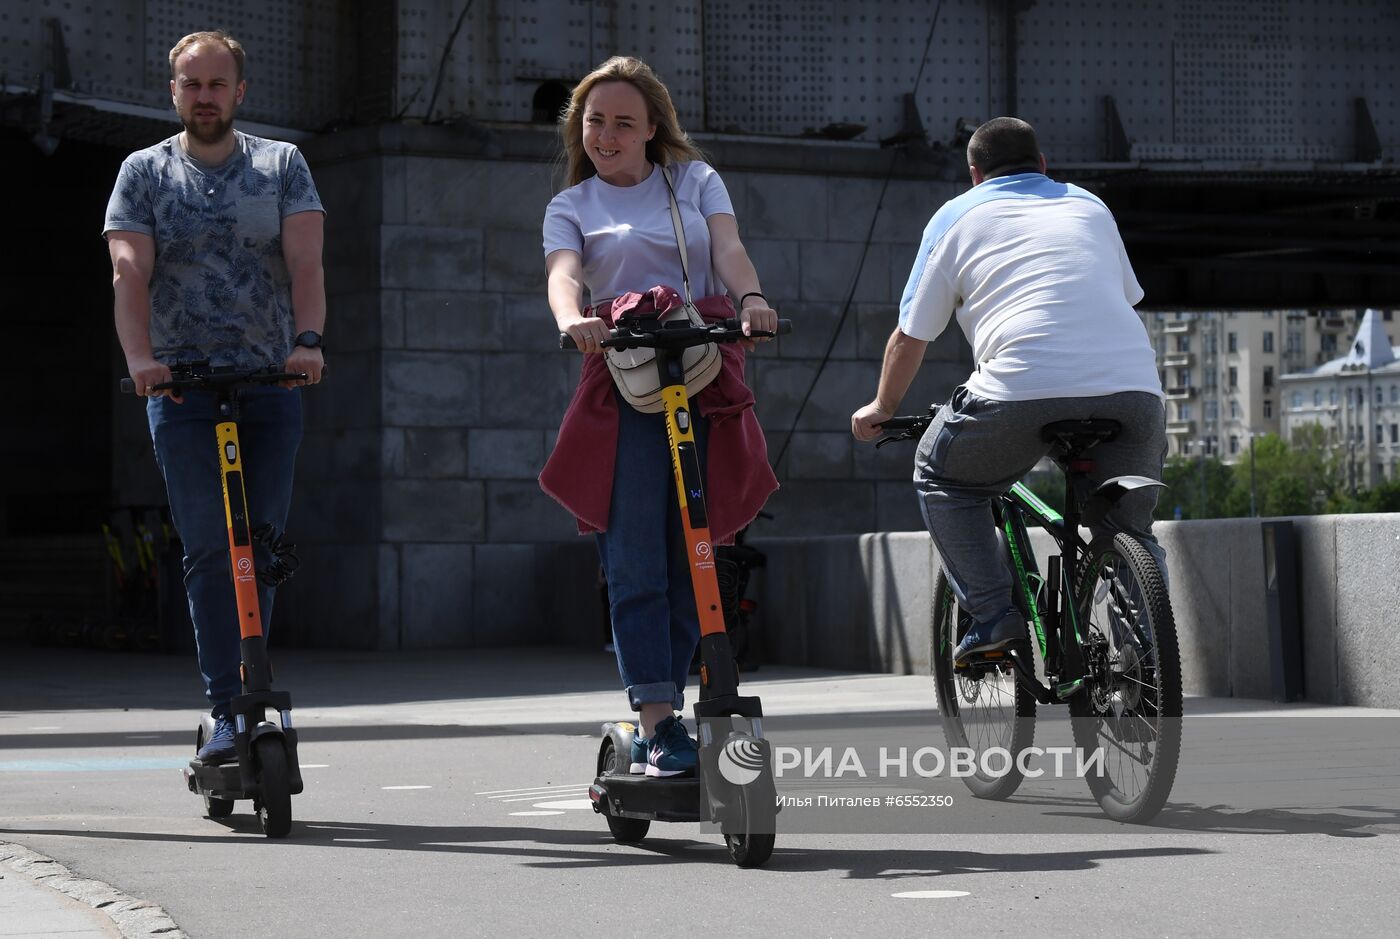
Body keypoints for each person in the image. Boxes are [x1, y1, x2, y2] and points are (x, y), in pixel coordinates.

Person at [851, 116, 1166, 665]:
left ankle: (995, 616)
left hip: (1018, 391)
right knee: (1128, 529)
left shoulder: (954, 216)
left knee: (942, 476)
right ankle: (1145, 662)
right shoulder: (1090, 205)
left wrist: (882, 407)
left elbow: (910, 335)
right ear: (1043, 165)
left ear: (974, 175)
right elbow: (1124, 295)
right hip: (1134, 391)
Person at [539, 56, 778, 777]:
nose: (607, 135)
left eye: (623, 123)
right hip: (624, 381)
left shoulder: (694, 182)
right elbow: (563, 272)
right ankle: (656, 715)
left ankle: (678, 709)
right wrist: (573, 316)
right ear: (580, 129)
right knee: (635, 555)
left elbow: (728, 249)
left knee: (695, 556)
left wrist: (750, 302)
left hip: (700, 371)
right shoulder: (572, 205)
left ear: (651, 131)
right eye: (596, 122)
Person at [103, 31, 326, 763]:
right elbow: (129, 271)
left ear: (240, 91)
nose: (205, 96)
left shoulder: (281, 164)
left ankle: (255, 685)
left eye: (217, 84)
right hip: (181, 386)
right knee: (206, 550)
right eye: (191, 84)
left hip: (269, 380)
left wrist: (308, 341)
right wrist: (141, 359)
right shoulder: (144, 172)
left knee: (259, 548)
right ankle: (228, 709)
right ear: (174, 92)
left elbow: (304, 259)